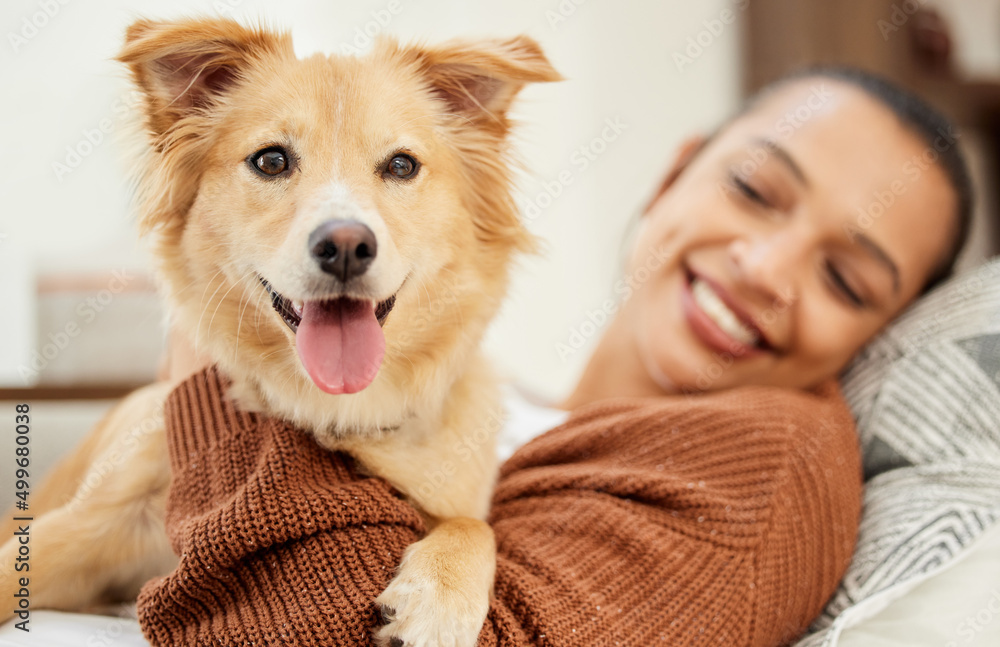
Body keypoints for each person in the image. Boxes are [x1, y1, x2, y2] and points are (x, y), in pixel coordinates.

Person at [140, 67, 972, 647]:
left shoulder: (769, 469)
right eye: (754, 191)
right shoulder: (470, 403)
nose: (764, 269)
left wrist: (212, 363)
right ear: (674, 174)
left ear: (874, 340)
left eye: (844, 278)